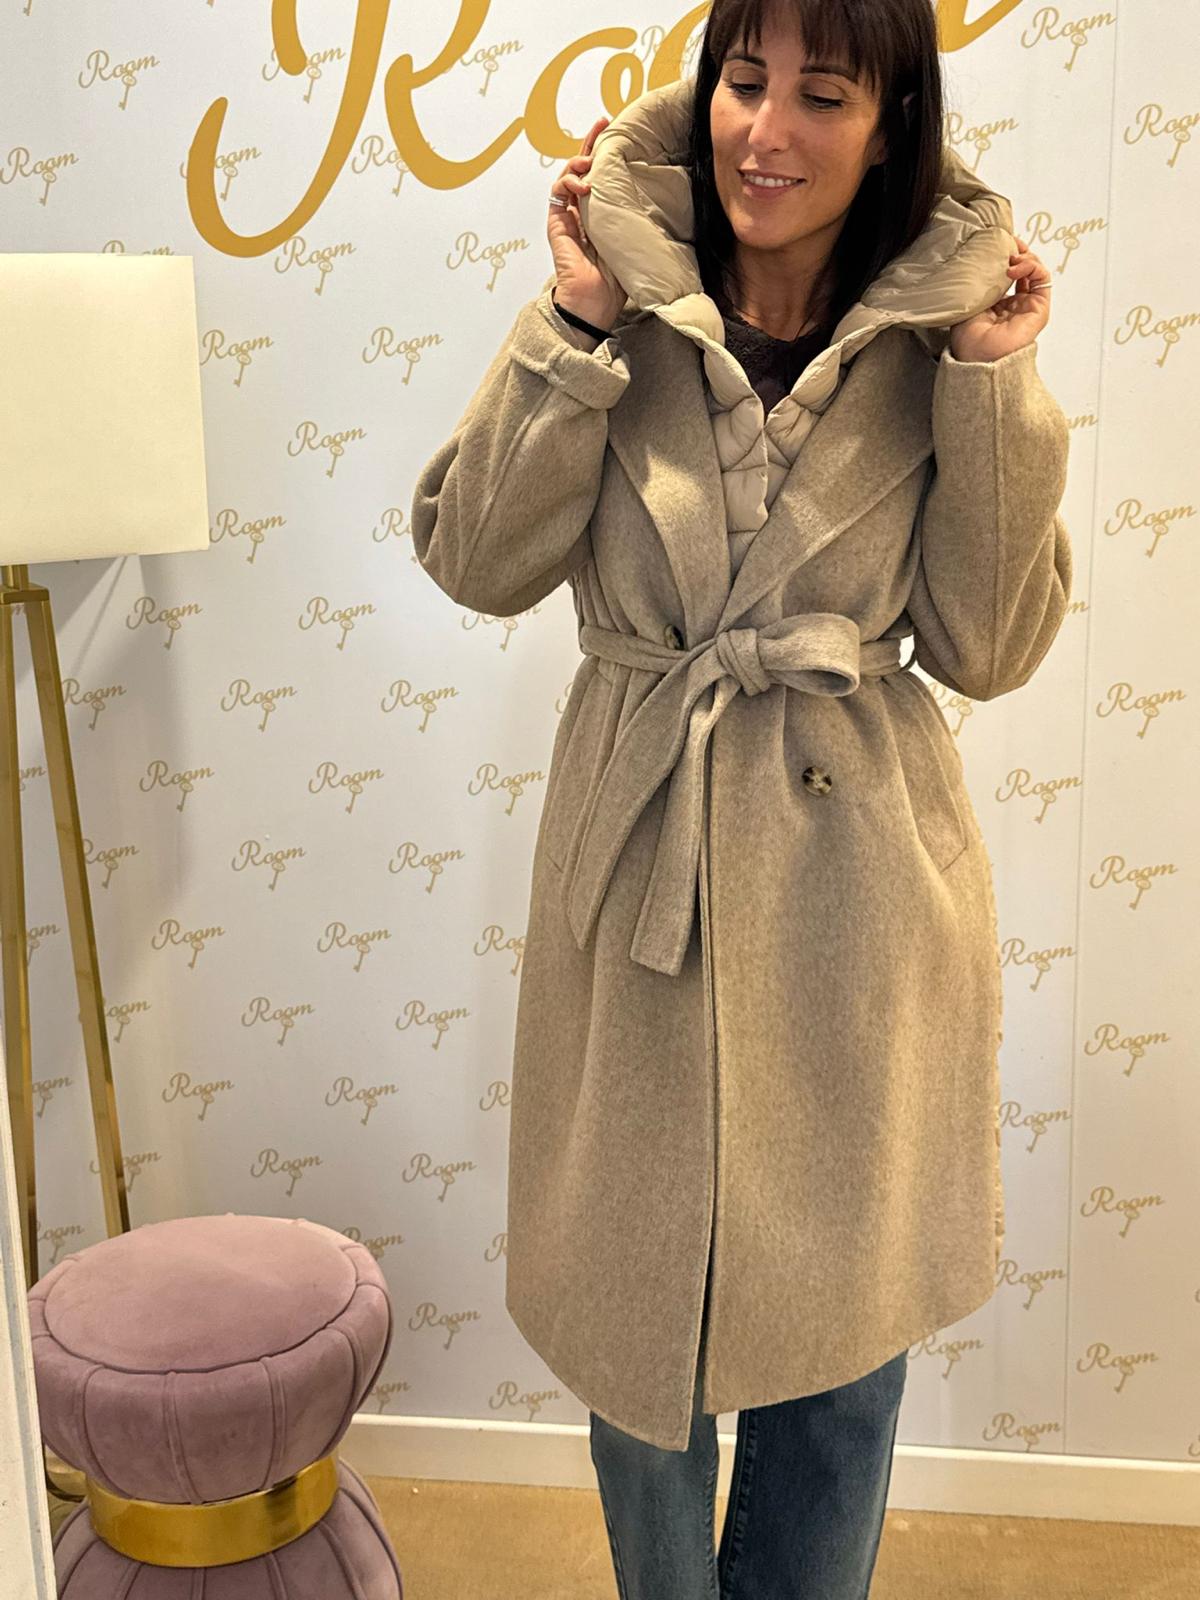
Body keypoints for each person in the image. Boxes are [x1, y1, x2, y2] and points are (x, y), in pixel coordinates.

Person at [412, 0, 1067, 1594]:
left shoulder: (942, 339)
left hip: (858, 887)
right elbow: (474, 558)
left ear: (890, 129)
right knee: (637, 1355)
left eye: (822, 95)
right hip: (646, 853)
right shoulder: (616, 294)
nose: (766, 132)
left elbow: (988, 647)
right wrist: (573, 328)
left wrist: (993, 387)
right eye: (744, 82)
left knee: (839, 1365)